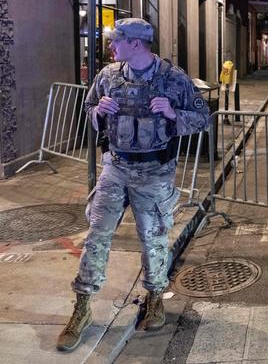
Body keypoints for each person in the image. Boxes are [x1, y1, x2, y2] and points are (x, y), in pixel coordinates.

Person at [57, 18, 209, 352]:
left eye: (116, 41)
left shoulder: (173, 79)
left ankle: (155, 299)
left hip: (155, 172)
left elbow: (203, 117)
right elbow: (88, 109)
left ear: (136, 44)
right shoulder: (108, 76)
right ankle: (82, 307)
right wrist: (98, 111)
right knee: (96, 236)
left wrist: (172, 113)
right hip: (116, 166)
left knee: (153, 239)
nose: (111, 47)